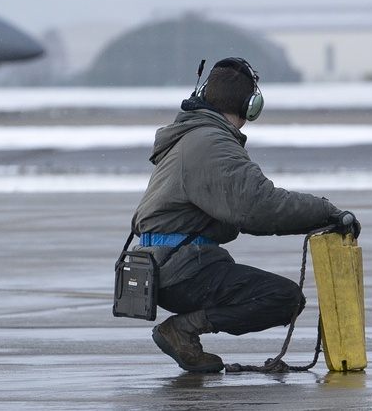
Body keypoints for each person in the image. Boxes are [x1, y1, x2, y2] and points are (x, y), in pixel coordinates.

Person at [130, 57, 360, 373]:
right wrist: (328, 213)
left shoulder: (192, 135)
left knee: (234, 274)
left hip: (164, 264)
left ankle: (184, 330)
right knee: (283, 298)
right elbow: (261, 207)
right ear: (251, 106)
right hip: (179, 268)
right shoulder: (211, 143)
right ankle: (182, 330)